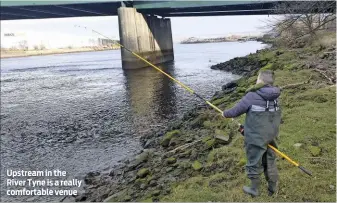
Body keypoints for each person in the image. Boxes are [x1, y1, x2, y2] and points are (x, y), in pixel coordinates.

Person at [222, 70, 281, 197]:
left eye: (258, 78)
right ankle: (272, 188)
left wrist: (224, 113)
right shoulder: (276, 96)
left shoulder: (252, 95)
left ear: (260, 81)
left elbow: (234, 112)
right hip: (271, 136)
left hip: (256, 138)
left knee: (254, 161)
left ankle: (254, 189)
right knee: (269, 161)